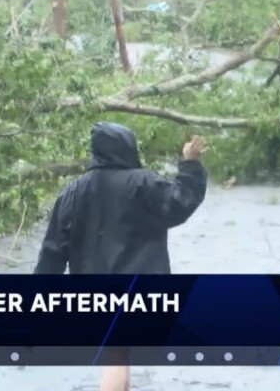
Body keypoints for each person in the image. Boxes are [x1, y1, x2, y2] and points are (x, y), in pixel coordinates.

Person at [33, 121, 209, 391]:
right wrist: (191, 165)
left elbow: (53, 251)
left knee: (115, 353)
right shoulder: (143, 183)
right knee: (117, 355)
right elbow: (180, 203)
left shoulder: (73, 191)